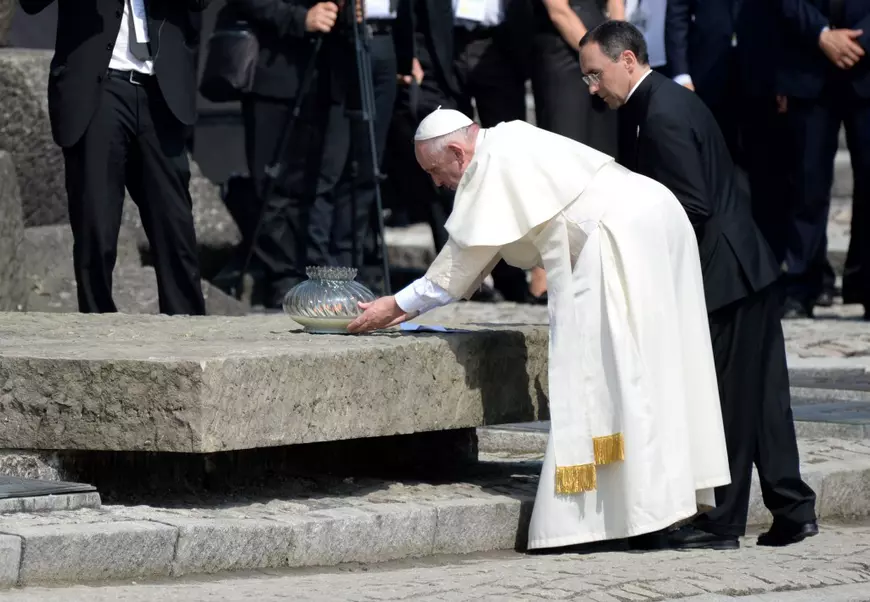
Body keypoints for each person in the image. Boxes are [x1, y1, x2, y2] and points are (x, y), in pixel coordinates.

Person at [347, 107, 731, 550]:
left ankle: (643, 515)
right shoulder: (507, 141)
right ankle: (663, 504)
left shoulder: (493, 166)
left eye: (436, 170)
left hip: (619, 238)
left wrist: (394, 305)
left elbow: (458, 266)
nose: (437, 182)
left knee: (615, 375)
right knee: (660, 367)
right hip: (656, 217)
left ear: (456, 150)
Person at [579, 20, 818, 549]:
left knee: (732, 400)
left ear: (627, 61)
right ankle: (794, 509)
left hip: (726, 275)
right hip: (746, 268)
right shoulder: (656, 102)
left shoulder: (660, 113)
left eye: (596, 75)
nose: (592, 88)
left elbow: (691, 204)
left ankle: (723, 522)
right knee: (764, 400)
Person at [18, 0, 210, 315]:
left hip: (159, 91)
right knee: (96, 222)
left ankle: (189, 332)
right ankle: (97, 330)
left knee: (175, 224)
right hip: (99, 86)